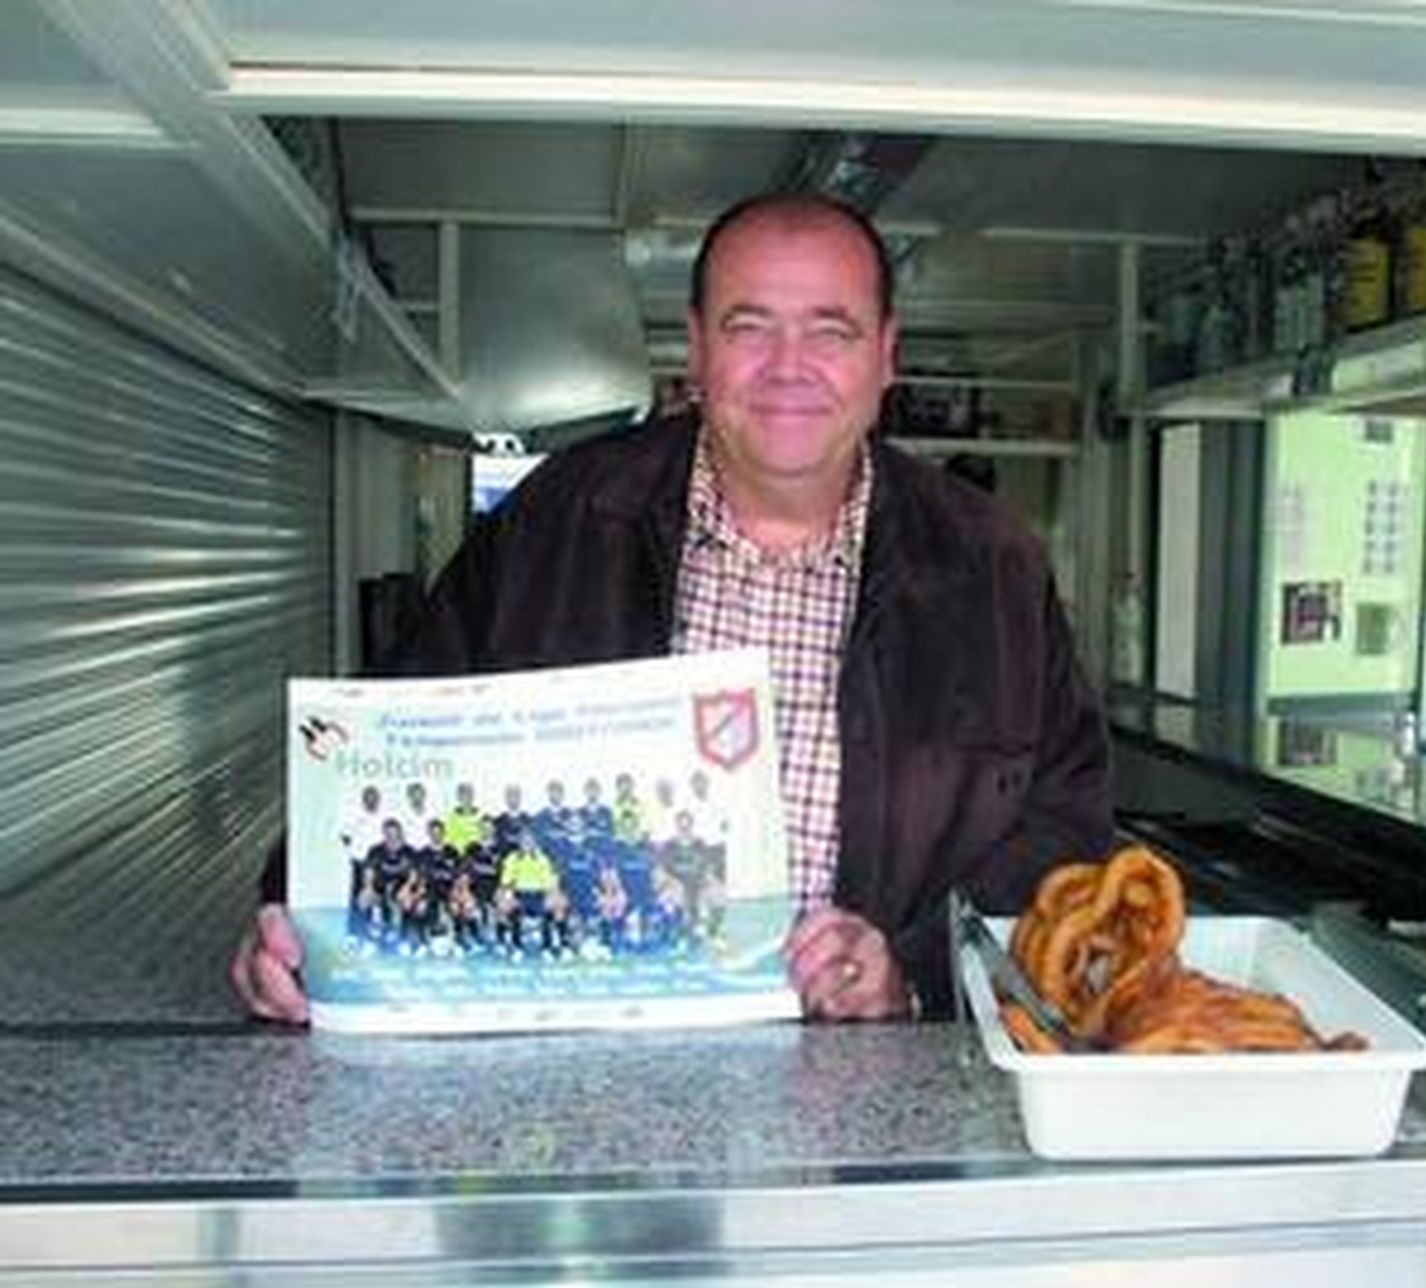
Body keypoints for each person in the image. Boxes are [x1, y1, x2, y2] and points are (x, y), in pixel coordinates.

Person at [231, 190, 1113, 1024]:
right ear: (695, 348)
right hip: (589, 1066)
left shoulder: (991, 565)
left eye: (830, 330)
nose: (788, 368)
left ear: (887, 353)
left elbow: (1065, 827)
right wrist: (295, 919)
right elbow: (386, 749)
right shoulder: (558, 521)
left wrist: (914, 971)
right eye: (749, 326)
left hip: (873, 1081)